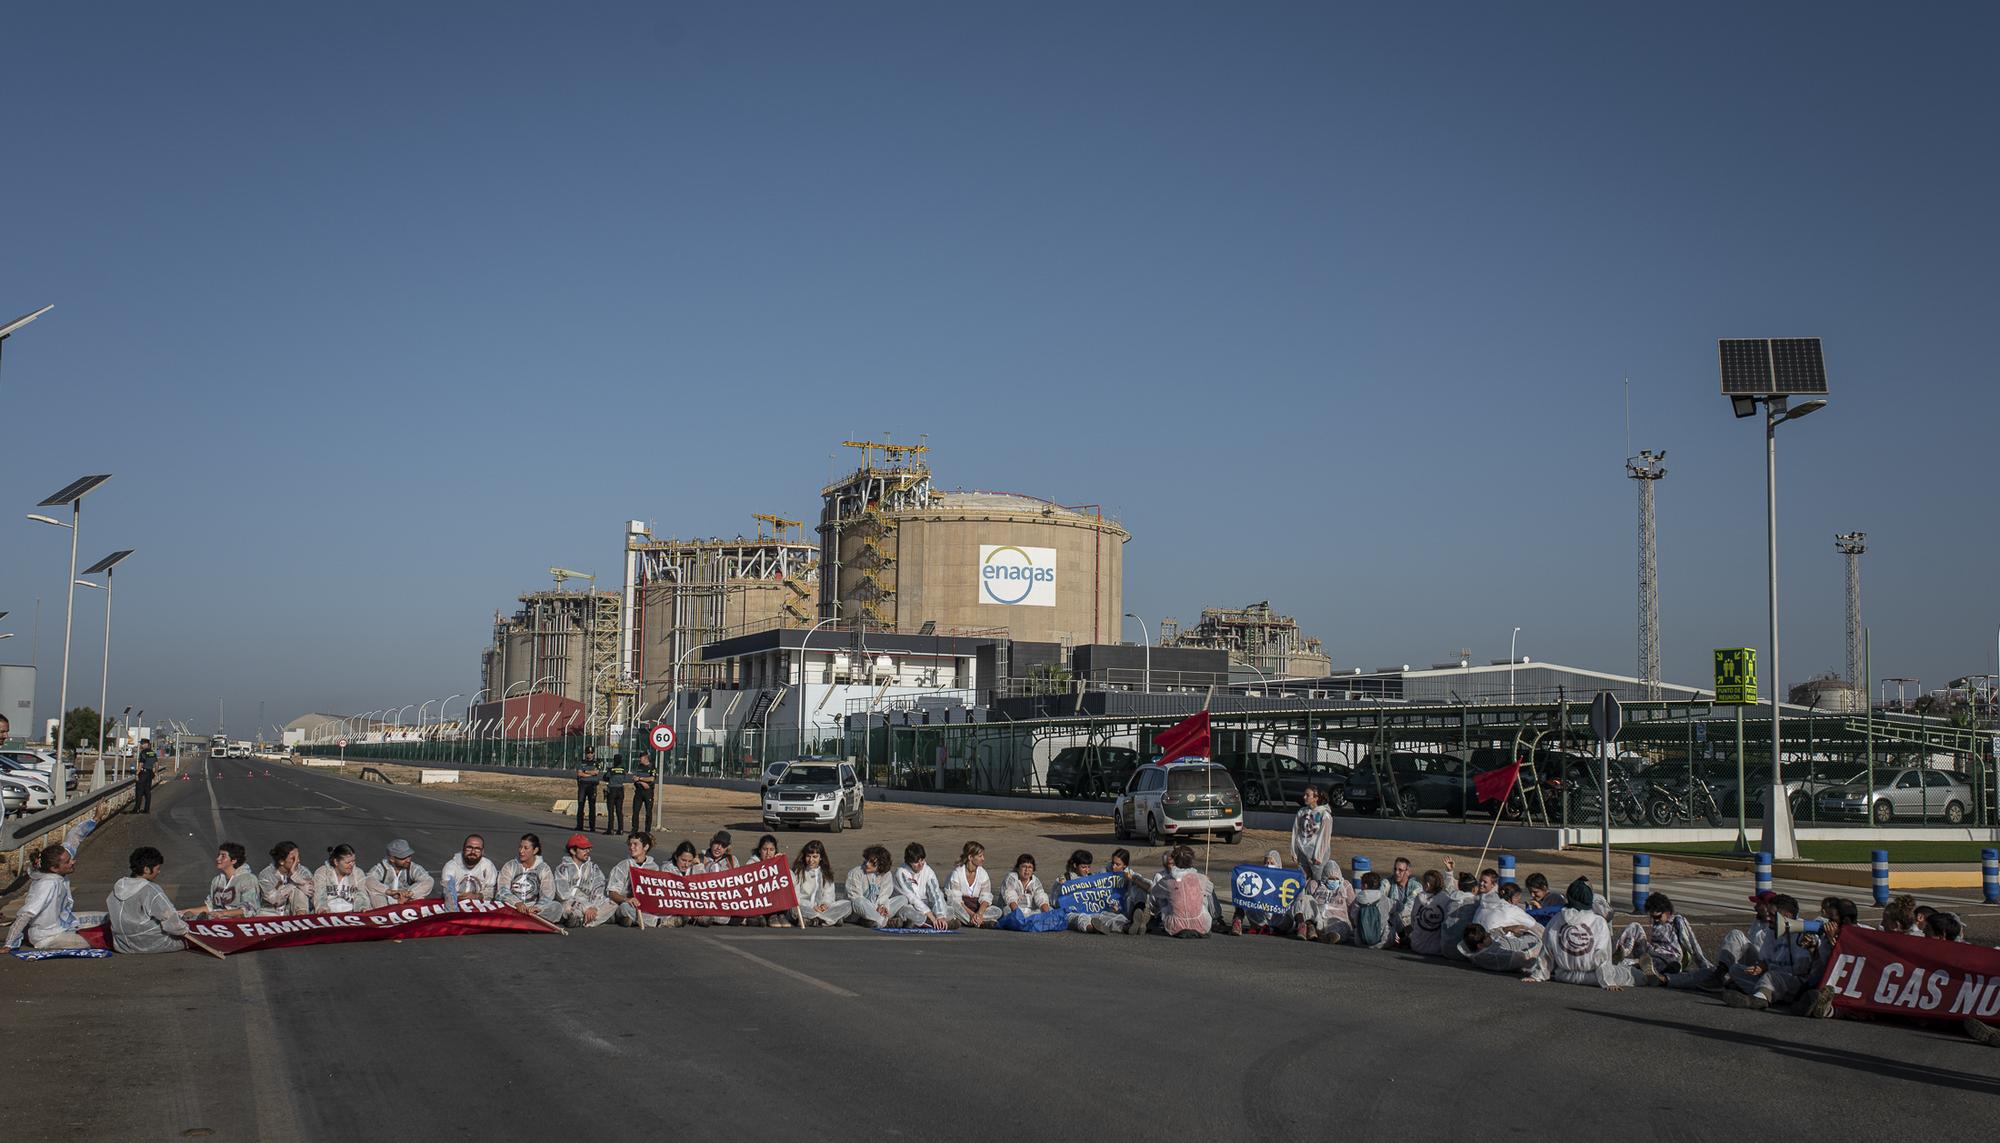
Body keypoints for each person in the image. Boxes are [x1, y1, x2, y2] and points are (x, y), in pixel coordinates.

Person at [1526, 879, 1649, 989]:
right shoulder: (1598, 922)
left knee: (1616, 964)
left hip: (1564, 975)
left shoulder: (1556, 920)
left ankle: (1629, 962)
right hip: (1594, 977)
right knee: (1634, 975)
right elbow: (1602, 955)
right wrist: (1608, 981)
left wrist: (1538, 975)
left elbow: (1546, 952)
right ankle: (1642, 970)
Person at [6, 812, 102, 950]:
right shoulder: (47, 884)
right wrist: (9, 943)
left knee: (109, 919)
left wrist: (94, 820)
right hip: (48, 937)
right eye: (68, 862)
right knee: (101, 938)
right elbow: (26, 913)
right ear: (54, 868)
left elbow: (73, 838)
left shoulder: (56, 865)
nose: (73, 862)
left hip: (63, 923)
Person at [1720, 894, 1816, 1010]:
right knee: (1736, 970)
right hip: (1771, 978)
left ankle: (1757, 1000)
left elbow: (1804, 970)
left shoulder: (1804, 931)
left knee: (1771, 977)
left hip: (1792, 982)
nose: (1768, 918)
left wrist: (1810, 948)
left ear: (1787, 916)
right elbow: (1766, 960)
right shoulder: (1772, 930)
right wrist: (1761, 967)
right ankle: (1766, 993)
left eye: (1772, 915)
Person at [107, 846, 191, 954]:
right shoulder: (150, 889)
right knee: (186, 938)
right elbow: (171, 921)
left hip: (122, 945)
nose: (159, 872)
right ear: (146, 869)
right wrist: (186, 928)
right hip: (150, 943)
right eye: (157, 868)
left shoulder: (116, 888)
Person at [1135, 845, 1223, 937]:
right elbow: (1210, 890)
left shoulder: (1167, 881)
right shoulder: (1201, 878)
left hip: (1175, 926)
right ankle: (1215, 918)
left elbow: (1154, 893)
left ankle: (1153, 918)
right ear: (1191, 861)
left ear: (1175, 861)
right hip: (1201, 925)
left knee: (1163, 896)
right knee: (1205, 892)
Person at [1615, 893, 1710, 978]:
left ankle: (1648, 969)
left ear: (1667, 912)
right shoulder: (1657, 923)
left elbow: (1692, 943)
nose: (1655, 920)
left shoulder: (1678, 921)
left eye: (1658, 917)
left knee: (1640, 963)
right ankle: (1620, 953)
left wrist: (1706, 967)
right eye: (1652, 917)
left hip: (1669, 958)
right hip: (1651, 954)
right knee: (1635, 926)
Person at [1056, 850, 1129, 934]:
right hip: (1073, 912)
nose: (1087, 870)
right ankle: (1092, 929)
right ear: (1075, 865)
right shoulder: (1065, 879)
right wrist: (1061, 887)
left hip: (1092, 911)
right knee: (1081, 918)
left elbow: (1100, 895)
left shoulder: (1092, 878)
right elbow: (1055, 901)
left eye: (1088, 867)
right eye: (1084, 867)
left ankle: (1127, 926)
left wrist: (1112, 904)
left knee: (1109, 916)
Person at [499, 833, 563, 923]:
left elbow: (547, 894)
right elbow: (502, 890)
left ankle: (529, 919)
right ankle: (532, 921)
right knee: (497, 903)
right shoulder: (510, 865)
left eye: (526, 848)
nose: (521, 851)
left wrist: (537, 907)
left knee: (556, 907)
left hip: (533, 909)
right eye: (520, 847)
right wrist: (516, 903)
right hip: (513, 906)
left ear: (535, 850)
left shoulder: (543, 868)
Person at [554, 834, 612, 928]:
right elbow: (563, 895)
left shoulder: (593, 868)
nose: (588, 851)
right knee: (565, 907)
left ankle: (583, 918)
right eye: (584, 849)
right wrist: (585, 907)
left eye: (588, 848)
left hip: (589, 904)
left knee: (612, 902)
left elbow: (598, 889)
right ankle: (591, 918)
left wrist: (594, 907)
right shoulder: (562, 869)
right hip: (570, 903)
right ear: (573, 851)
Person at [1293, 858, 1355, 944]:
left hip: (1336, 920)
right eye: (1331, 879)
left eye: (1336, 879)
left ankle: (1326, 937)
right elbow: (1305, 904)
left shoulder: (1345, 886)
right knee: (1306, 898)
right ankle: (1308, 926)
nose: (1334, 881)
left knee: (1341, 929)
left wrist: (1355, 925)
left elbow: (1352, 906)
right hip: (1318, 919)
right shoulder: (1315, 885)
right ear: (1325, 877)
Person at [1231, 849, 1293, 936]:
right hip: (1261, 918)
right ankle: (1237, 921)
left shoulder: (1284, 882)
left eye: (1272, 863)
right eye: (1266, 863)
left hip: (1278, 918)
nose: (1268, 865)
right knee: (1245, 893)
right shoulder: (1258, 881)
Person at [891, 842, 949, 929]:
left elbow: (935, 892)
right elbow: (912, 898)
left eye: (922, 860)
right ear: (908, 862)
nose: (920, 864)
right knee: (907, 912)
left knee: (948, 910)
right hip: (910, 905)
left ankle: (937, 922)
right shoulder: (901, 872)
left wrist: (940, 915)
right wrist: (932, 917)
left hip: (926, 905)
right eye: (916, 862)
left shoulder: (928, 870)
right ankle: (935, 924)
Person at [793, 839, 850, 927]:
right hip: (805, 906)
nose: (811, 860)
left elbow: (829, 894)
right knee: (794, 909)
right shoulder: (799, 872)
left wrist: (825, 904)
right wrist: (812, 906)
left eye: (815, 857)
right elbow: (796, 897)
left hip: (821, 908)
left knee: (847, 904)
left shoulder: (825, 873)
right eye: (808, 856)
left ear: (821, 857)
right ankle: (829, 919)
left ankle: (815, 920)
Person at [608, 832, 660, 928]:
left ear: (646, 847)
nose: (631, 847)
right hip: (627, 903)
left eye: (635, 844)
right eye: (630, 844)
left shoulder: (654, 867)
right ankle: (656, 922)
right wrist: (627, 899)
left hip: (646, 905)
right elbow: (612, 893)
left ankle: (633, 920)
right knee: (624, 908)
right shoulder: (623, 866)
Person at [365, 838, 436, 908]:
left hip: (405, 899)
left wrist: (410, 893)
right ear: (392, 859)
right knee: (376, 895)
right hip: (387, 900)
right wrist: (389, 892)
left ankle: (414, 917)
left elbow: (428, 880)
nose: (408, 860)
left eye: (409, 856)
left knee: (419, 895)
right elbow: (369, 880)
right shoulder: (381, 867)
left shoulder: (412, 867)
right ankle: (383, 915)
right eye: (403, 857)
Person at [946, 841, 1001, 928]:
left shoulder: (983, 873)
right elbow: (956, 900)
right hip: (962, 907)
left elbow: (986, 897)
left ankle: (972, 921)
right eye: (980, 856)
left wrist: (979, 913)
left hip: (976, 908)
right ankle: (979, 922)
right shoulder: (957, 873)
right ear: (970, 857)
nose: (983, 859)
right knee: (952, 906)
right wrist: (972, 914)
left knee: (997, 911)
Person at [844, 845, 899, 929]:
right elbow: (855, 898)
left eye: (872, 863)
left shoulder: (887, 874)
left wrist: (883, 906)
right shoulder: (856, 872)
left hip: (878, 909)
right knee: (859, 901)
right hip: (858, 911)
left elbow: (885, 895)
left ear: (881, 864)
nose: (867, 864)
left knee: (903, 899)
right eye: (867, 860)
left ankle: (870, 921)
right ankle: (885, 922)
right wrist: (876, 909)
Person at [205, 843, 263, 918]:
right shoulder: (217, 880)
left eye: (223, 856)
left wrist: (223, 913)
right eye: (218, 855)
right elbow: (210, 907)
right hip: (219, 924)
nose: (218, 859)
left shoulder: (248, 879)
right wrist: (185, 911)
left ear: (234, 860)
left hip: (241, 925)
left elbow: (250, 909)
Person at [1406, 869, 1454, 958]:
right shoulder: (1446, 898)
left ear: (1427, 885)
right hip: (1438, 949)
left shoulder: (1419, 897)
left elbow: (1413, 920)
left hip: (1417, 946)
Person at [695, 831, 739, 926]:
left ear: (727, 848)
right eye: (717, 843)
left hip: (724, 901)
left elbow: (739, 883)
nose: (719, 848)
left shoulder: (732, 860)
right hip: (704, 899)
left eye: (723, 845)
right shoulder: (699, 857)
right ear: (712, 842)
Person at [440, 834, 498, 904]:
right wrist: (461, 898)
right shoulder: (451, 866)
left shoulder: (488, 865)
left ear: (482, 852)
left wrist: (477, 896)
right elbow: (447, 891)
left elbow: (492, 890)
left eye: (477, 849)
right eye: (469, 848)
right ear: (463, 849)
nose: (473, 852)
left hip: (480, 906)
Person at [312, 844, 370, 913]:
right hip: (328, 914)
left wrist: (362, 908)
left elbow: (361, 895)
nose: (352, 865)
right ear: (336, 862)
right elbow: (319, 896)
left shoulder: (358, 873)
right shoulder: (322, 872)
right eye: (348, 862)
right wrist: (322, 909)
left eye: (353, 861)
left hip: (351, 914)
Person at [748, 835, 791, 926]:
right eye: (765, 849)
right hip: (760, 900)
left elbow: (792, 882)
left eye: (771, 850)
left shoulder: (777, 861)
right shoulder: (751, 863)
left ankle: (781, 914)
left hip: (778, 902)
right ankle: (771, 915)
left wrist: (782, 864)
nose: (768, 853)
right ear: (760, 850)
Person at [1291, 784, 1333, 876]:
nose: (1304, 797)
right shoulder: (1301, 812)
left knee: (1316, 881)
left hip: (1315, 854)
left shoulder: (1324, 815)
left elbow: (1324, 837)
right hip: (1302, 852)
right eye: (1304, 795)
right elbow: (1296, 831)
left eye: (1307, 795)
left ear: (1316, 798)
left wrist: (1319, 855)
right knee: (1303, 880)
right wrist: (1294, 851)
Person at [1350, 871, 1396, 949]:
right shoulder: (1384, 899)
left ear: (1365, 885)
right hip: (1383, 942)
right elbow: (1395, 907)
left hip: (1360, 941)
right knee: (1395, 916)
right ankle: (1403, 938)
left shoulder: (1357, 899)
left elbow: (1353, 916)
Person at [1000, 853, 1053, 921]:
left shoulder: (1035, 881)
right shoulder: (1011, 878)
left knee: (1050, 909)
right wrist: (1018, 916)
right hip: (1014, 910)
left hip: (1030, 911)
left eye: (1030, 867)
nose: (1027, 870)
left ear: (1033, 869)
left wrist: (1047, 915)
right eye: (1024, 866)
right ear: (1018, 868)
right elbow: (1010, 897)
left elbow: (1041, 897)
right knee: (1006, 910)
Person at [1381, 857, 1419, 945]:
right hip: (1391, 922)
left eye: (1400, 870)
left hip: (1408, 925)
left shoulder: (1416, 887)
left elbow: (1409, 908)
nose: (1396, 873)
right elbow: (1379, 899)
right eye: (1395, 869)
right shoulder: (1387, 882)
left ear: (1408, 872)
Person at [574, 747, 601, 833]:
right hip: (582, 785)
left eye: (591, 752)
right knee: (581, 804)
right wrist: (590, 774)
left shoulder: (597, 762)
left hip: (592, 786)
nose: (589, 754)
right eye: (588, 752)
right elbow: (579, 773)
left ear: (593, 753)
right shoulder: (581, 762)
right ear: (585, 753)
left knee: (592, 806)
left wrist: (585, 772)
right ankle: (579, 825)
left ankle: (592, 827)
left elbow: (596, 772)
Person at [603, 753, 629, 836]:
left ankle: (610, 829)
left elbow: (605, 777)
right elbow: (625, 778)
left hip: (612, 790)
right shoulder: (623, 770)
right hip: (620, 790)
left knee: (611, 810)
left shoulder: (611, 770)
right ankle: (620, 829)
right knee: (619, 810)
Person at [133, 739, 158, 813]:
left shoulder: (143, 752)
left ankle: (136, 809)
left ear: (146, 744)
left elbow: (141, 764)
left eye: (142, 744)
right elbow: (156, 764)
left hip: (143, 773)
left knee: (139, 791)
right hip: (150, 773)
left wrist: (137, 773)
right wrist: (155, 773)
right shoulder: (153, 753)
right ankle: (147, 809)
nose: (141, 745)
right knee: (147, 792)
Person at [631, 763, 656, 832]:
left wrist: (640, 778)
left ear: (645, 758)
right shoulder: (638, 766)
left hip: (648, 792)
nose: (640, 759)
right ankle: (634, 829)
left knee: (648, 812)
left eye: (641, 758)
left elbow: (651, 779)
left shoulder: (651, 767)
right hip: (638, 791)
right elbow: (634, 778)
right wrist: (641, 782)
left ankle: (647, 830)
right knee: (635, 811)